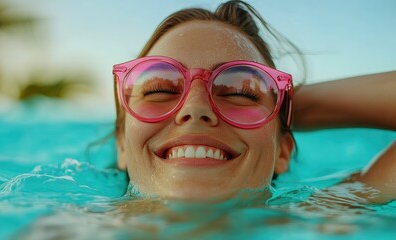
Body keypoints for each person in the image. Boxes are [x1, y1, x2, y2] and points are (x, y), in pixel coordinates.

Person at [112, 0, 396, 202]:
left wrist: (282, 104)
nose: (195, 108)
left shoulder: (326, 218)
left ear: (282, 153)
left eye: (240, 91)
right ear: (123, 144)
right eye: (159, 89)